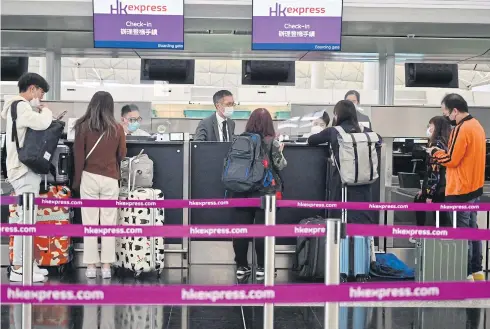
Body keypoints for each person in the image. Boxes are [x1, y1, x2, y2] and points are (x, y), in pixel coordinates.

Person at [1, 73, 53, 282]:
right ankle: (19, 268)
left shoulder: (17, 107)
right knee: (25, 220)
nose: (40, 97)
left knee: (27, 218)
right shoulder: (21, 106)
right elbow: (41, 124)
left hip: (20, 168)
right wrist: (46, 110)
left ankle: (27, 263)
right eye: (40, 92)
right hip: (22, 170)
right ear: (32, 89)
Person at [428, 93, 486, 282]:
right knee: (473, 231)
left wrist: (435, 152)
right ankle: (477, 272)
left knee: (461, 235)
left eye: (446, 112)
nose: (446, 117)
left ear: (455, 110)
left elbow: (451, 159)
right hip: (475, 188)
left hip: (460, 190)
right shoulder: (477, 126)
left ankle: (465, 275)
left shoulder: (461, 128)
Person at [73, 91, 127, 279]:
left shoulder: (81, 126)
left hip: (89, 177)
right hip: (111, 178)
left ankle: (90, 266)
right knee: (108, 224)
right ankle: (106, 266)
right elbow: (122, 154)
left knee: (90, 224)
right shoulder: (117, 128)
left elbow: (79, 157)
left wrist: (76, 181)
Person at [232, 108, 287, 279]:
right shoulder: (272, 142)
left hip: (241, 190)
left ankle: (241, 266)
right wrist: (281, 151)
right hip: (265, 193)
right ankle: (263, 267)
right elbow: (281, 165)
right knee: (263, 229)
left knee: (241, 230)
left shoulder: (240, 139)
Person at [308, 100, 380, 224]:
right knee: (363, 216)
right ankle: (364, 242)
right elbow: (379, 140)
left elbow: (312, 140)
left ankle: (343, 242)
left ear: (337, 115)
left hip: (342, 182)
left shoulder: (334, 131)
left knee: (341, 217)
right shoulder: (366, 130)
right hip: (365, 182)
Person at [414, 116, 451, 227]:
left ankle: (420, 235)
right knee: (440, 217)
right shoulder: (446, 143)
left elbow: (434, 172)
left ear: (437, 128)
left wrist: (429, 194)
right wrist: (424, 190)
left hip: (437, 189)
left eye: (430, 126)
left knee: (419, 203)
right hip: (443, 188)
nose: (428, 128)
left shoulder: (436, 145)